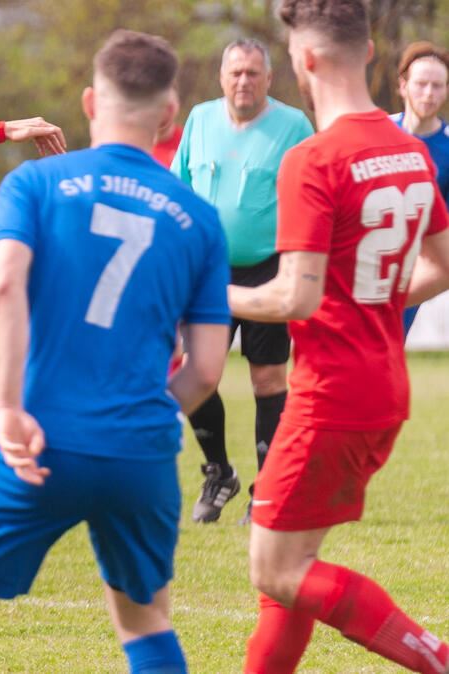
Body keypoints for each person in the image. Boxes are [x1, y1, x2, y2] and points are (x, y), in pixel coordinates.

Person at [0, 29, 230, 674]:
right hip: (140, 451)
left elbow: (4, 286)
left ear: (90, 102)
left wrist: (9, 406)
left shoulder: (35, 184)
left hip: (33, 441)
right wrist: (143, 414)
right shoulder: (199, 218)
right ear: (169, 116)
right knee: (146, 622)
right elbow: (207, 371)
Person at [230, 2, 449, 671]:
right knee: (291, 567)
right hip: (381, 385)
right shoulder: (408, 151)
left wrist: (200, 299)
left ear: (305, 62)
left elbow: (294, 294)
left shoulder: (314, 158)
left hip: (329, 397)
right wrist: (372, 303)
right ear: (373, 54)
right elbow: (443, 263)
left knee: (277, 573)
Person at [172, 38, 314, 524]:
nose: (243, 81)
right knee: (196, 372)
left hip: (269, 267)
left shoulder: (294, 125)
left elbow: (311, 197)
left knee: (268, 377)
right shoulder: (200, 119)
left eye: (253, 73)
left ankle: (267, 489)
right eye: (235, 72)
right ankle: (219, 474)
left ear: (269, 79)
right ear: (221, 77)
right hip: (207, 269)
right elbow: (180, 188)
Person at [392, 41, 449, 335]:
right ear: (403, 85)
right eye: (421, 84)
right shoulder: (378, 133)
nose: (429, 93)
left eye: (438, 86)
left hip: (417, 270)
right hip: (367, 261)